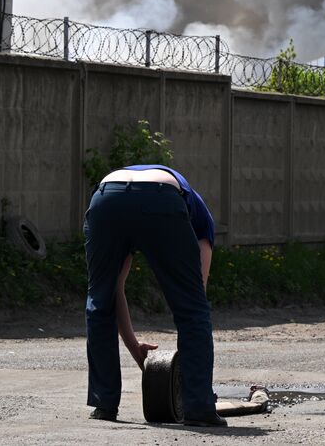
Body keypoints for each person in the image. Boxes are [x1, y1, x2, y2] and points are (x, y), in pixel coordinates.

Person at [84, 163, 225, 427]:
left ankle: (104, 403)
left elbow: (115, 291)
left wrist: (135, 348)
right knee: (193, 308)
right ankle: (199, 409)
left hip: (107, 196)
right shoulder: (202, 218)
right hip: (161, 197)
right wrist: (192, 381)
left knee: (98, 300)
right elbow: (196, 299)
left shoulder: (125, 189)